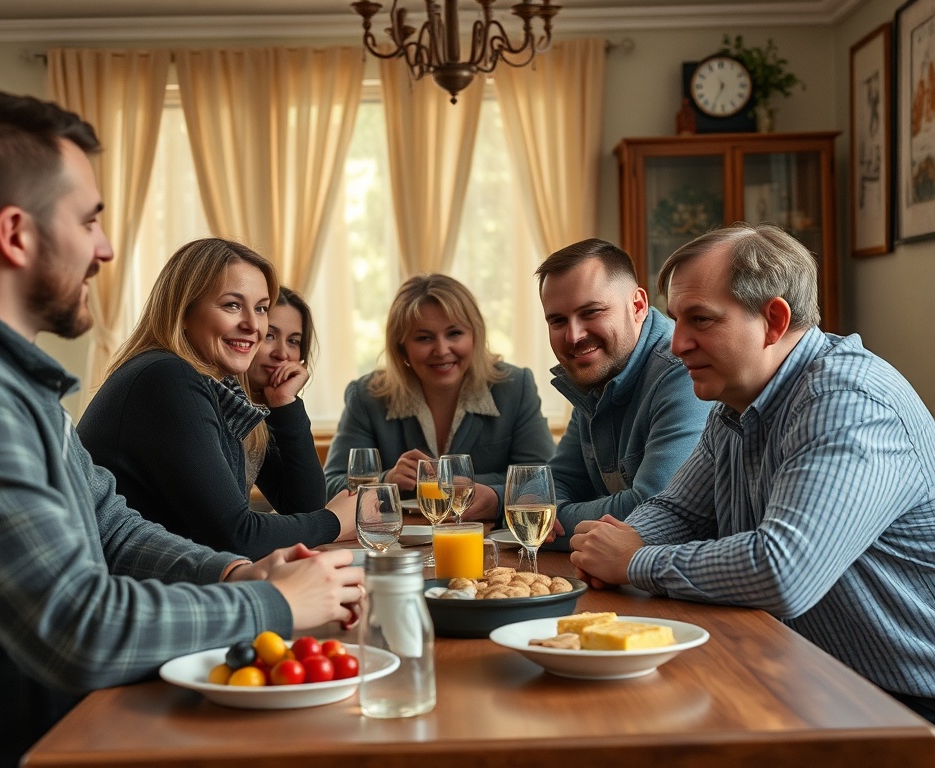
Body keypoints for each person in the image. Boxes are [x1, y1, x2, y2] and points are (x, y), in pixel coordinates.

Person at [0, 91, 362, 768]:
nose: (105, 247)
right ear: (16, 234)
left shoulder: (5, 376)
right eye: (88, 220)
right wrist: (270, 604)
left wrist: (238, 572)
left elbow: (112, 526)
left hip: (81, 732)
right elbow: (75, 626)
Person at [570, 223, 935, 723]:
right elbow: (681, 510)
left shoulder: (848, 401)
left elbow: (783, 571)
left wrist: (636, 562)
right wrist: (616, 544)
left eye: (700, 320)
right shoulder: (737, 401)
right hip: (804, 674)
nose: (677, 345)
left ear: (774, 320)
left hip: (902, 709)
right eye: (676, 320)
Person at [78, 240, 356, 558]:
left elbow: (301, 506)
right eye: (232, 305)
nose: (253, 325)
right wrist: (335, 521)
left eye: (261, 308)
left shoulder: (221, 392)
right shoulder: (166, 377)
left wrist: (285, 403)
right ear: (182, 311)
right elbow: (235, 536)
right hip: (124, 595)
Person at [532, 239, 711, 545]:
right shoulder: (597, 374)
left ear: (638, 306)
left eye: (591, 312)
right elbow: (547, 486)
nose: (574, 336)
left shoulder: (684, 371)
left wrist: (554, 519)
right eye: (558, 320)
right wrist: (538, 509)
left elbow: (652, 512)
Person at [323, 273, 554, 505]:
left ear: (475, 335)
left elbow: (543, 479)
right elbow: (330, 485)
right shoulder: (367, 396)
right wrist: (387, 480)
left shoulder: (514, 387)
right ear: (402, 349)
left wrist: (455, 482)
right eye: (424, 338)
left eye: (454, 334)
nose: (442, 350)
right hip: (397, 539)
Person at [240, 285, 325, 514]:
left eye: (293, 341)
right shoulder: (219, 405)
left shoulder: (257, 418)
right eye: (269, 335)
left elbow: (306, 507)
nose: (282, 354)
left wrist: (286, 403)